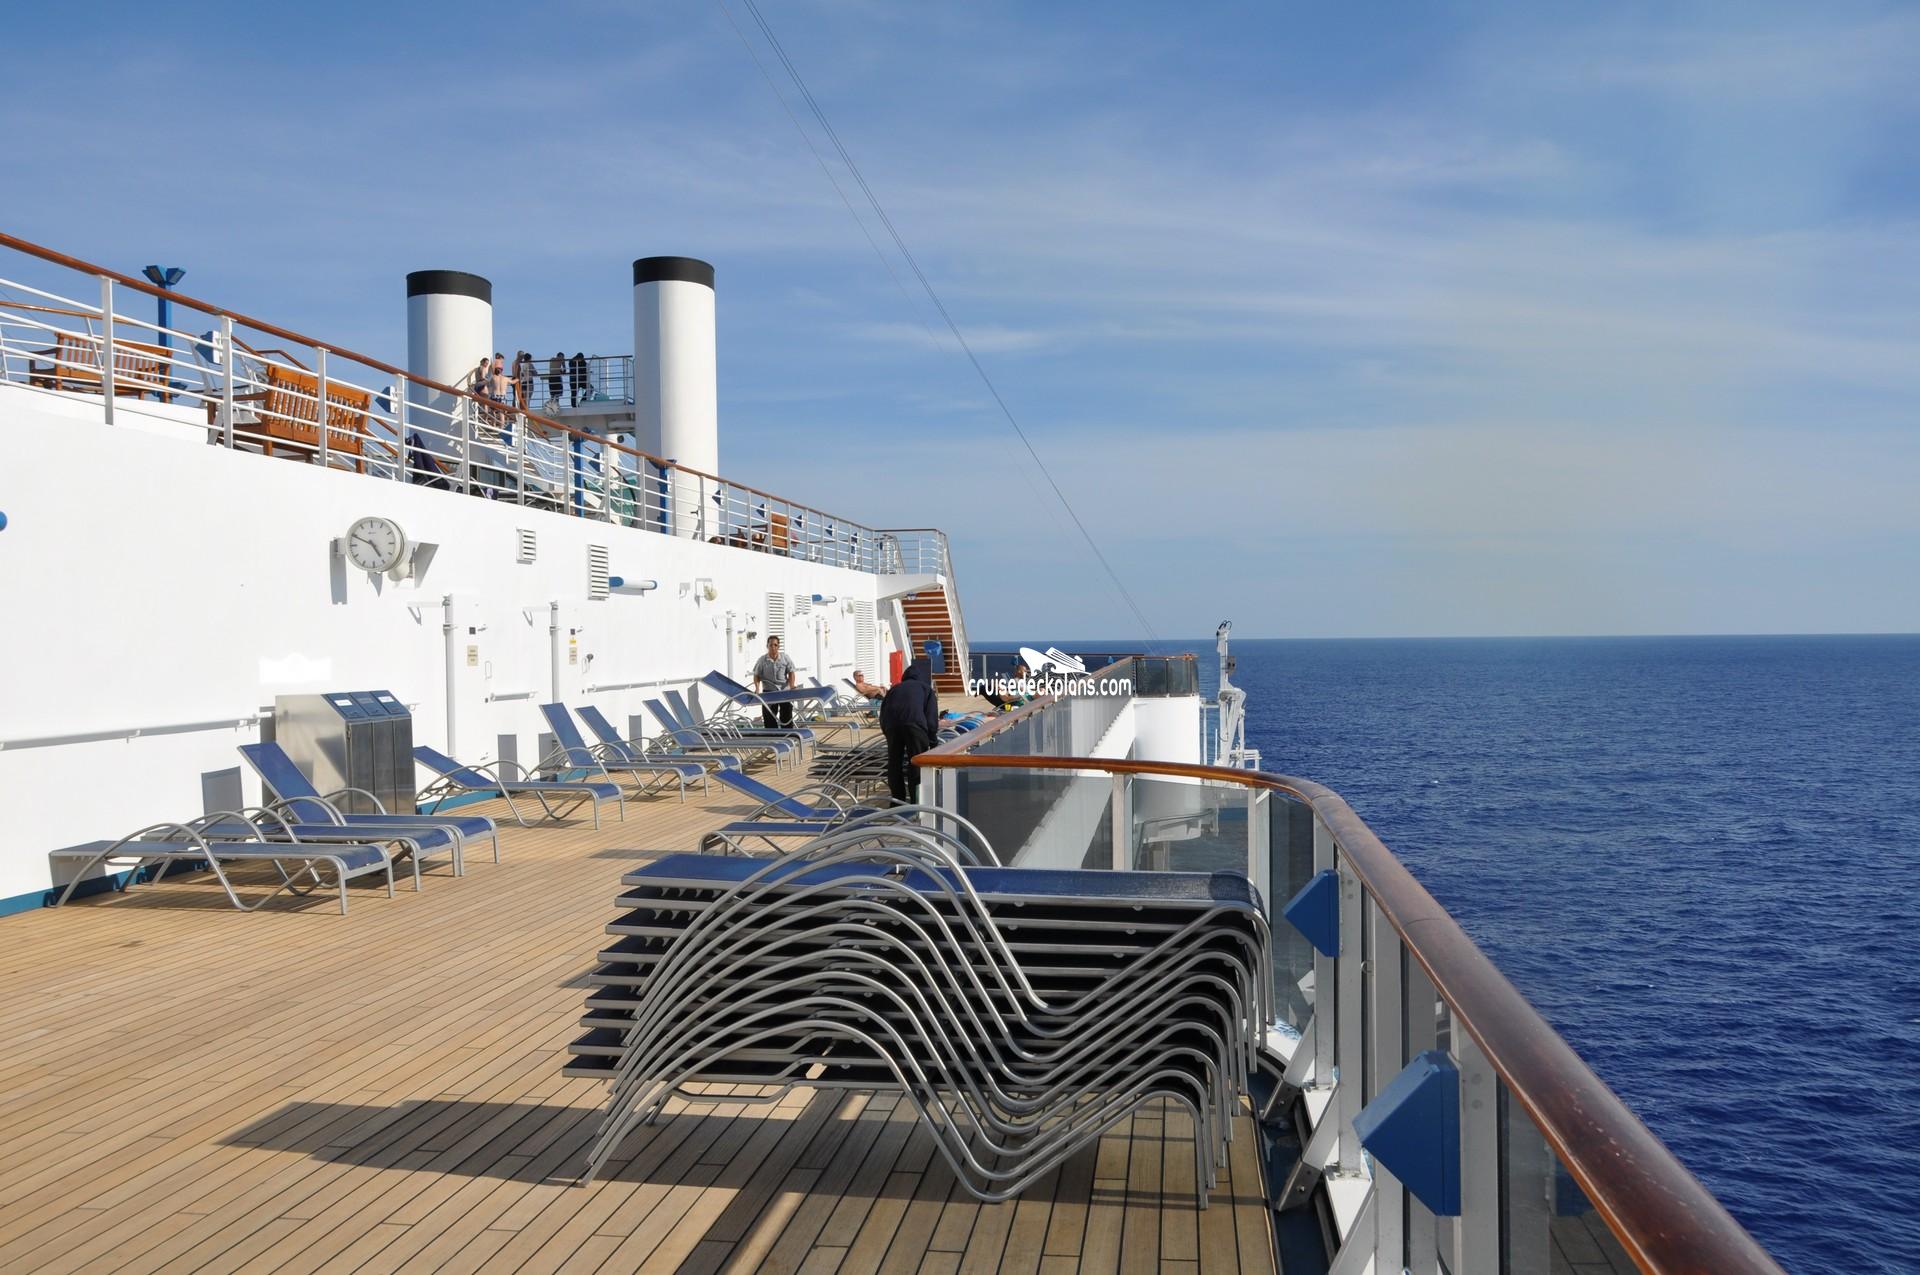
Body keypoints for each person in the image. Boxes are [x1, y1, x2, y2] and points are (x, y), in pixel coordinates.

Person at [880, 660, 939, 804]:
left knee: (894, 763)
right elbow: (931, 718)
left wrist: (887, 732)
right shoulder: (926, 689)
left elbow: (883, 712)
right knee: (916, 762)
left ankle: (897, 800)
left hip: (891, 725)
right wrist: (933, 741)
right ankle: (916, 801)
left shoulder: (894, 689)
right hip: (915, 725)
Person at [751, 635, 796, 730]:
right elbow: (756, 675)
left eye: (775, 645)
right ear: (767, 646)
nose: (773, 647)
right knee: (769, 719)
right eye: (771, 645)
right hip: (769, 693)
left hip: (784, 692)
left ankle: (788, 736)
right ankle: (773, 737)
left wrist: (792, 685)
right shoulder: (762, 660)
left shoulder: (785, 658)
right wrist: (757, 689)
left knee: (786, 717)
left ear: (778, 646)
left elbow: (791, 672)